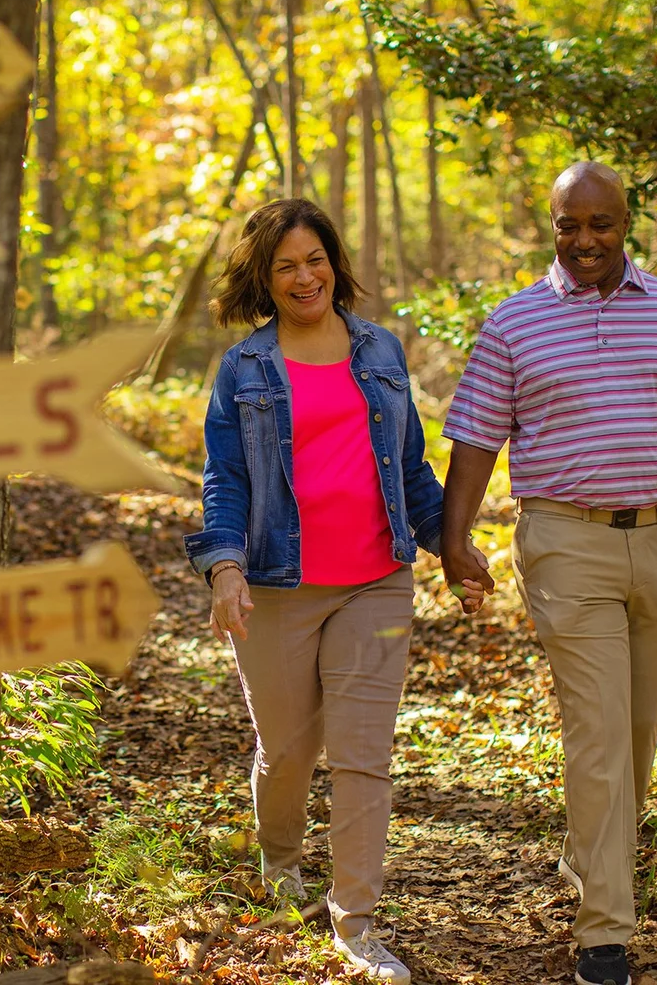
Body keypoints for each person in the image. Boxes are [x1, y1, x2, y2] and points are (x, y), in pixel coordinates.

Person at [437, 162, 657, 985]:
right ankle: (604, 938)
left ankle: (591, 857)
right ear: (551, 227)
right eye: (568, 226)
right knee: (596, 732)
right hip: (564, 541)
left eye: (601, 224)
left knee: (636, 729)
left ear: (628, 223)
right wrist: (454, 542)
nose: (585, 240)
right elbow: (477, 440)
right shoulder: (515, 323)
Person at [184, 198, 484, 985]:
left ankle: (356, 923)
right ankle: (281, 862)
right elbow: (225, 479)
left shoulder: (378, 349)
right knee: (287, 752)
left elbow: (411, 466)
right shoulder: (245, 367)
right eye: (286, 265)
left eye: (314, 259)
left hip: (376, 582)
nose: (304, 276)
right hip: (279, 584)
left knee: (363, 757)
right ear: (265, 278)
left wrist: (448, 546)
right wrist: (224, 569)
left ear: (334, 263)